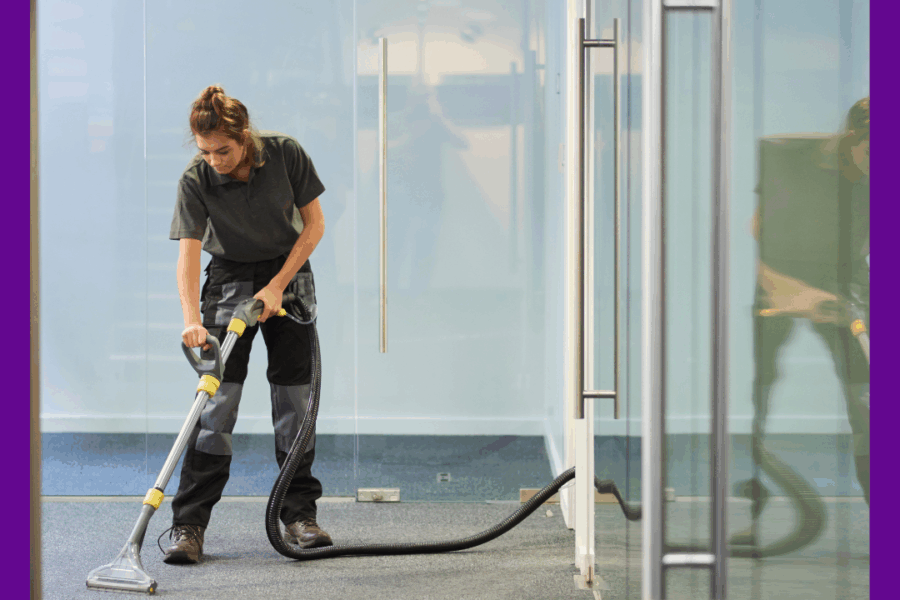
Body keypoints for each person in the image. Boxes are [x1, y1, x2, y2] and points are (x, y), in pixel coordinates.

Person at [163, 85, 332, 564]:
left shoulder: (285, 154)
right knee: (215, 406)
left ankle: (299, 516)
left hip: (289, 274)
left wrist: (278, 285)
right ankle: (188, 526)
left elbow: (314, 225)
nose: (214, 160)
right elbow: (189, 256)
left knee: (295, 402)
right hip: (229, 276)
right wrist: (192, 321)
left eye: (223, 150)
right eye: (204, 151)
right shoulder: (196, 179)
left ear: (244, 138)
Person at [741, 97, 870, 534]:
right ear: (852, 139)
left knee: (867, 404)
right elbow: (758, 230)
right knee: (763, 395)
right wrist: (800, 295)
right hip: (781, 280)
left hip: (844, 284)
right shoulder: (787, 159)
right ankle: (754, 514)